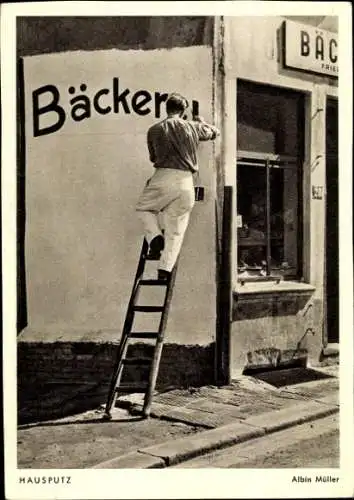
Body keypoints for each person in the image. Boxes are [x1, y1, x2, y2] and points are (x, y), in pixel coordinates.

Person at [136, 92, 220, 280]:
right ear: (183, 111)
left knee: (144, 209)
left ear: (167, 109)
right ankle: (165, 268)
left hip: (162, 176)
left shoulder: (154, 130)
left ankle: (155, 237)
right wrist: (201, 122)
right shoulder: (192, 127)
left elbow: (153, 158)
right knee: (177, 226)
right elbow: (214, 132)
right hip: (185, 181)